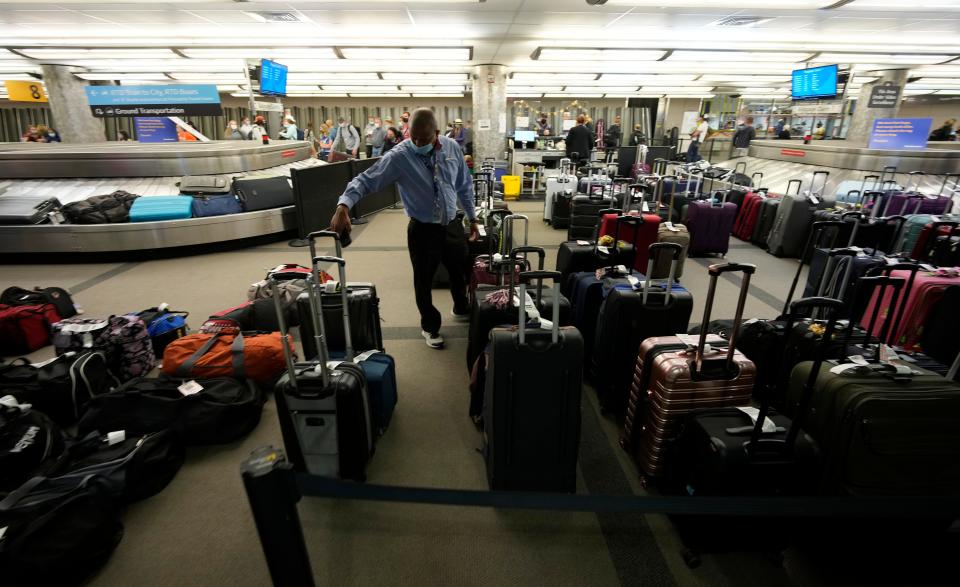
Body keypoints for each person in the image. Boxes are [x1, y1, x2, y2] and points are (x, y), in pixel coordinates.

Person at [330, 108, 478, 349]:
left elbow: (464, 185)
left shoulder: (451, 148)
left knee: (459, 272)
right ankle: (430, 327)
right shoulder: (400, 155)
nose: (418, 142)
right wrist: (343, 205)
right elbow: (365, 180)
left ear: (437, 133)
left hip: (452, 225)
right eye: (414, 137)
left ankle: (461, 307)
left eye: (424, 138)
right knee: (423, 281)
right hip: (423, 230)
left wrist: (473, 219)